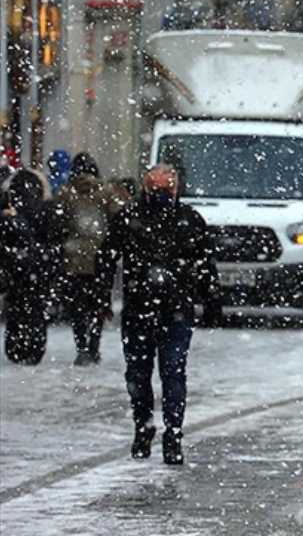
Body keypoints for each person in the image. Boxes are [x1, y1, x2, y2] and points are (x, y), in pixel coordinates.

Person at [96, 165, 221, 465]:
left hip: (171, 309)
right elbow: (106, 257)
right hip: (144, 309)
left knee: (169, 373)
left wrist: (210, 298)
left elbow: (205, 263)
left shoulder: (186, 220)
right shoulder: (133, 219)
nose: (163, 195)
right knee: (143, 374)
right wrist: (101, 298)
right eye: (158, 189)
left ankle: (171, 433)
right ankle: (147, 427)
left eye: (166, 189)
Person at [51, 153, 123, 365]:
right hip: (100, 257)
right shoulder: (106, 192)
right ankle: (94, 345)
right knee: (98, 304)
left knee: (77, 306)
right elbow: (118, 218)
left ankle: (81, 346)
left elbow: (58, 222)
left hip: (73, 257)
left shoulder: (66, 192)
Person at [1, 169, 61, 365]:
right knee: (35, 308)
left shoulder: (11, 210)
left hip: (16, 265)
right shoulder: (45, 207)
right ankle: (33, 348)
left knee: (17, 306)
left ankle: (16, 347)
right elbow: (52, 235)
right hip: (37, 266)